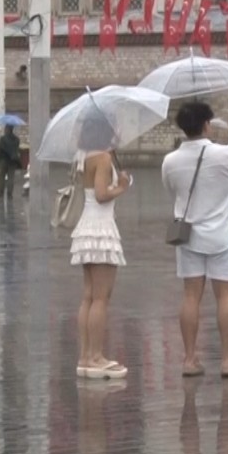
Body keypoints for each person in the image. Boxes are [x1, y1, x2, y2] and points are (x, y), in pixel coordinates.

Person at [162, 101, 228, 379]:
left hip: (189, 235)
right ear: (206, 125)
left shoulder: (170, 161)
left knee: (191, 296)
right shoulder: (226, 154)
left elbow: (171, 189)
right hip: (223, 236)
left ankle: (190, 359)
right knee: (225, 296)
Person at [72, 117, 131, 380]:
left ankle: (85, 356)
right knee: (101, 297)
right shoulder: (104, 158)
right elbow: (101, 195)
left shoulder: (83, 156)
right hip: (101, 228)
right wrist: (121, 187)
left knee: (88, 295)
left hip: (86, 226)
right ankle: (96, 356)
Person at [0, 125, 23, 199]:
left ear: (7, 129)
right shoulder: (16, 140)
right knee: (11, 178)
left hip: (3, 161)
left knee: (2, 177)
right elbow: (17, 150)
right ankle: (9, 194)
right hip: (12, 161)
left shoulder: (2, 139)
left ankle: (1, 193)